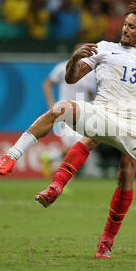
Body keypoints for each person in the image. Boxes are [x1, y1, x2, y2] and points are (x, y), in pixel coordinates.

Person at [0, 2, 136, 260]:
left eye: (132, 27)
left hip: (133, 127)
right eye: (125, 24)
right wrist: (74, 59)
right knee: (58, 109)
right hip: (100, 115)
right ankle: (12, 156)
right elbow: (72, 78)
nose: (125, 30)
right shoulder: (105, 48)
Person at [42, 43, 100, 177]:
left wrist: (97, 106)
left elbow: (90, 93)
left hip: (83, 113)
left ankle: (51, 158)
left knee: (79, 147)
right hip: (64, 112)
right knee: (77, 146)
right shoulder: (63, 67)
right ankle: (62, 178)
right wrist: (51, 104)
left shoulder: (90, 73)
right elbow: (47, 84)